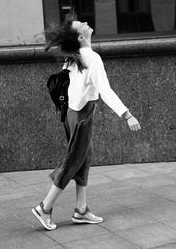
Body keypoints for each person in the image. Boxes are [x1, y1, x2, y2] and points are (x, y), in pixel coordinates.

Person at [31, 15, 141, 230]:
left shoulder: (75, 56)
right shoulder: (91, 58)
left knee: (83, 158)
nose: (86, 23)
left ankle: (81, 210)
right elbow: (105, 91)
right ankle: (45, 207)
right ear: (81, 36)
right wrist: (127, 115)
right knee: (73, 161)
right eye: (81, 25)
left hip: (72, 113)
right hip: (81, 115)